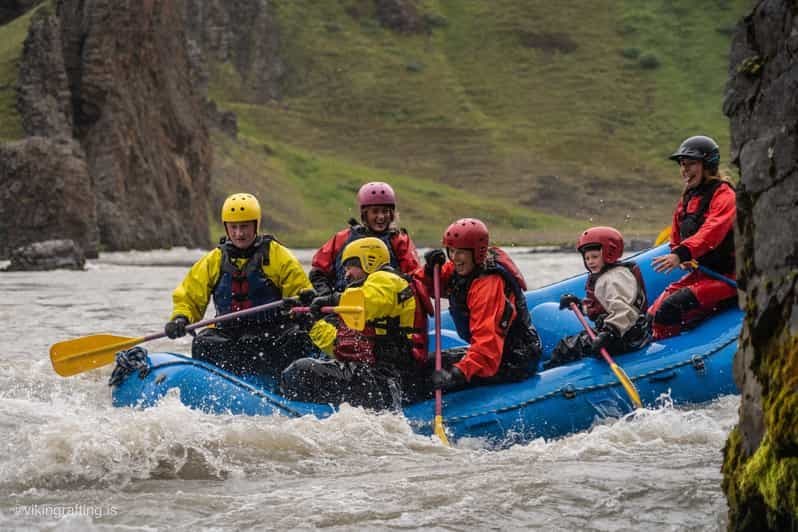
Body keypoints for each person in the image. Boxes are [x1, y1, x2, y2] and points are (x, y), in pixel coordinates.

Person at [164, 192, 316, 378]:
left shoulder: (278, 256)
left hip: (272, 334)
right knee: (203, 342)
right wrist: (181, 319)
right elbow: (189, 297)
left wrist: (301, 309)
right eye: (233, 227)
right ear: (226, 228)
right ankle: (218, 384)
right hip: (230, 335)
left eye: (244, 226)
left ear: (255, 225)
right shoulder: (214, 260)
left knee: (298, 338)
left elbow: (301, 293)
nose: (239, 233)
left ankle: (289, 384)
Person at [281, 237, 433, 410]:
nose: (346, 274)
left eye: (349, 267)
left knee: (300, 371)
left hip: (392, 379)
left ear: (368, 262)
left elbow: (369, 301)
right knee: (296, 372)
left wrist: (332, 299)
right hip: (376, 377)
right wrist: (310, 322)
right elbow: (342, 348)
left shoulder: (387, 280)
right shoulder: (359, 299)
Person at [421, 218, 541, 391]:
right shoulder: (462, 268)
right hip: (493, 352)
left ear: (476, 253)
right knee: (424, 366)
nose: (454, 257)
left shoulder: (488, 286)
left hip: (513, 358)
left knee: (430, 379)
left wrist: (457, 373)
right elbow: (430, 286)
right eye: (451, 251)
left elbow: (488, 345)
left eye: (461, 252)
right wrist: (429, 270)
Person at [648, 135, 737, 339]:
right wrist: (678, 253)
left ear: (708, 166)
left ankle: (666, 348)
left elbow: (711, 232)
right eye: (682, 164)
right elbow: (676, 235)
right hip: (703, 275)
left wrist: (681, 254)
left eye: (691, 164)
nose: (684, 170)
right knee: (652, 315)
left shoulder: (724, 195)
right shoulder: (688, 197)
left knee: (669, 308)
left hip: (730, 278)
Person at [544, 227, 651, 369]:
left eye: (594, 257)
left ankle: (553, 374)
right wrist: (578, 304)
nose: (590, 262)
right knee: (571, 343)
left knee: (566, 347)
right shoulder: (606, 275)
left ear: (609, 253)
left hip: (626, 336)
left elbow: (624, 311)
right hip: (621, 332)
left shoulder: (614, 278)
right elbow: (599, 308)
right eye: (587, 258)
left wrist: (608, 333)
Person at [307, 181, 421, 297]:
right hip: (343, 302)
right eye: (375, 211)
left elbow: (414, 278)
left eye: (385, 211)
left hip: (384, 303)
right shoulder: (342, 238)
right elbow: (318, 271)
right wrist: (326, 295)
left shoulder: (400, 241)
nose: (381, 217)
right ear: (365, 214)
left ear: (391, 214)